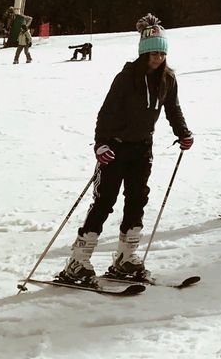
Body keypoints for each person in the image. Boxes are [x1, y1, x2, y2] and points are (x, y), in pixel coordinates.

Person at [56, 15, 193, 286]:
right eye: (153, 53)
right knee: (104, 201)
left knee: (137, 200)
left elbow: (172, 109)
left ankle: (126, 257)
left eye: (162, 53)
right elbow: (106, 113)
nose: (158, 58)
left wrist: (183, 133)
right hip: (115, 147)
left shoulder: (168, 79)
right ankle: (78, 261)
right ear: (144, 53)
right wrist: (101, 144)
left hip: (143, 148)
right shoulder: (126, 78)